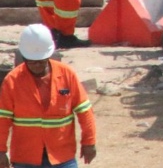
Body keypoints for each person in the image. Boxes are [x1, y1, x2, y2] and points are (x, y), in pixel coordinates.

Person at [0, 24, 97, 168]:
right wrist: (1, 151)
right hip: (26, 157)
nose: (37, 65)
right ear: (24, 57)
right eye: (32, 62)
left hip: (62, 156)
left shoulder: (67, 74)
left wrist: (89, 141)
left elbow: (84, 110)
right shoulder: (12, 80)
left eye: (41, 61)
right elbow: (3, 119)